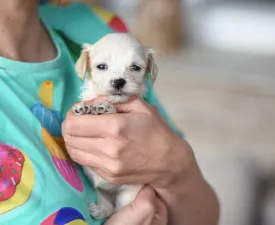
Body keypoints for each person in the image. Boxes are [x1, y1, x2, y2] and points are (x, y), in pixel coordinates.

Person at [0, 0, 219, 224]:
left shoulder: (97, 26)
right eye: (102, 67)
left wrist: (176, 167)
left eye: (134, 68)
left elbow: (205, 217)